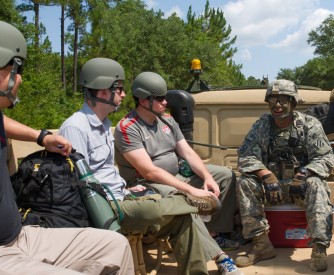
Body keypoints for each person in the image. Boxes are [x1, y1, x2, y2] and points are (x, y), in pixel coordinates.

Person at [0, 18, 133, 274]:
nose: (20, 80)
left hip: (18, 237)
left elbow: (2, 122)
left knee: (115, 246)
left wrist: (41, 137)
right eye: (18, 70)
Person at [61, 61, 242, 275]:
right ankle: (218, 254)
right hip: (113, 204)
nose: (122, 94)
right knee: (184, 202)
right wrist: (191, 190)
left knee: (187, 209)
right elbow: (83, 184)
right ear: (102, 91)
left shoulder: (104, 125)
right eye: (118, 89)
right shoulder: (79, 128)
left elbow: (106, 174)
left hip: (123, 195)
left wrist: (126, 191)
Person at [114, 72, 240, 251]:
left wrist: (207, 177)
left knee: (225, 175)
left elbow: (187, 152)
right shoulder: (128, 128)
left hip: (176, 175)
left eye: (164, 97)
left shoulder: (167, 119)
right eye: (159, 98)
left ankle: (214, 233)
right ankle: (199, 244)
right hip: (147, 184)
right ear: (143, 101)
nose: (165, 102)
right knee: (183, 197)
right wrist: (192, 190)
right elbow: (149, 171)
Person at [234, 79, 334, 272]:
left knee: (317, 184)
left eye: (283, 100)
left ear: (293, 102)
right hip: (272, 189)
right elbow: (246, 156)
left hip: (300, 189)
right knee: (245, 182)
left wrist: (305, 173)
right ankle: (262, 246)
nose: (277, 105)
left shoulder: (308, 125)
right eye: (273, 99)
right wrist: (265, 175)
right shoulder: (263, 125)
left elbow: (325, 158)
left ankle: (319, 249)